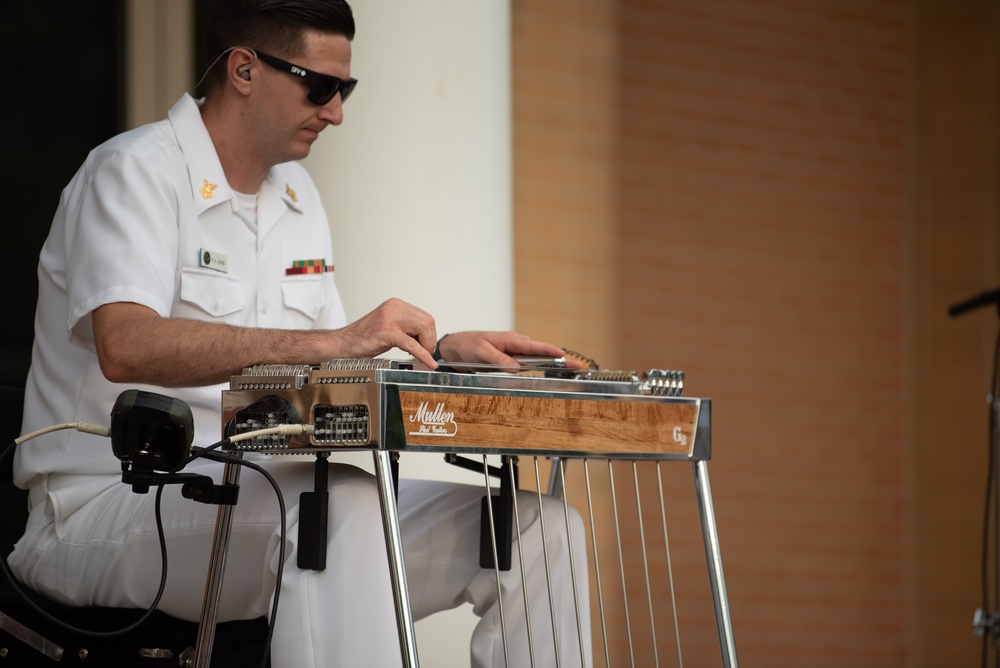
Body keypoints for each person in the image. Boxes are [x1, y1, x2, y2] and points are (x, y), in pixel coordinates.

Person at [8, 1, 592, 666]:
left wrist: (440, 353)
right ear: (244, 71)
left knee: (541, 531)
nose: (337, 111)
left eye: (346, 89)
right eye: (321, 87)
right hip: (111, 506)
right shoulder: (132, 172)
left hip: (268, 488)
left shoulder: (299, 199)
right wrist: (335, 341)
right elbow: (125, 344)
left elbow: (328, 378)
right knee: (337, 508)